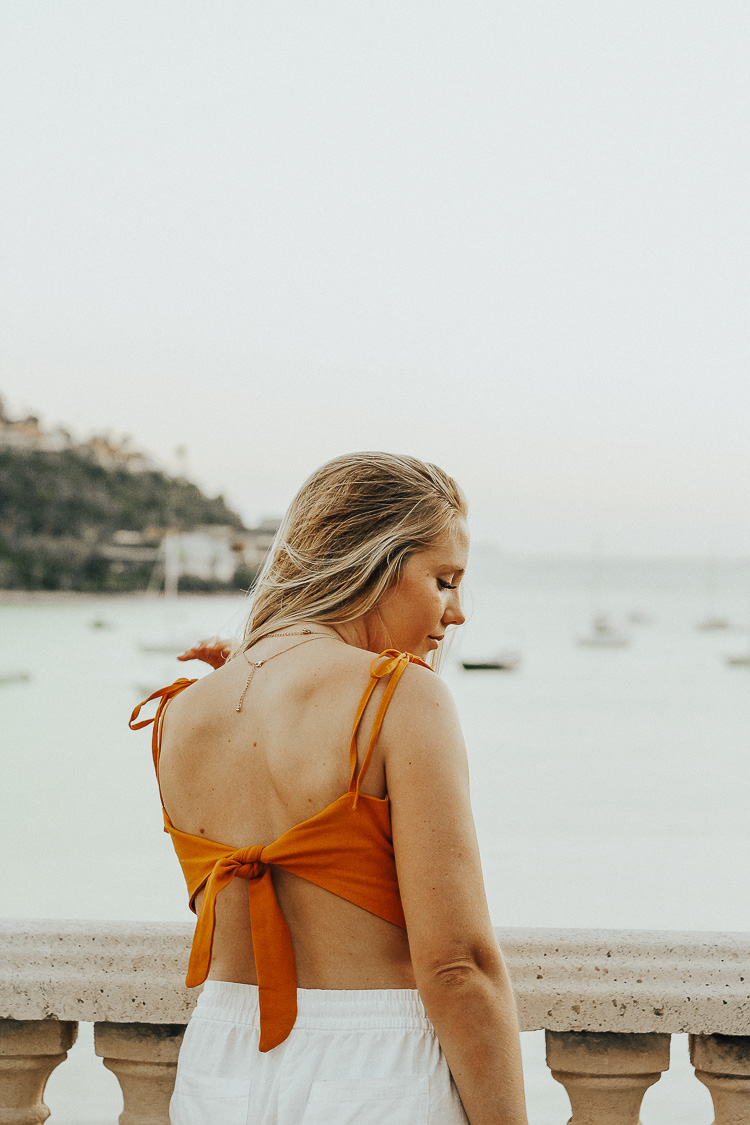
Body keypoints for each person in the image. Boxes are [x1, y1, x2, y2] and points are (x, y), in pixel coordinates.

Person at [130, 452, 528, 1125]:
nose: (456, 613)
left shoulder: (182, 711)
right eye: (444, 579)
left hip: (218, 1068)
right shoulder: (403, 698)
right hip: (375, 1073)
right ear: (373, 562)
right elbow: (458, 966)